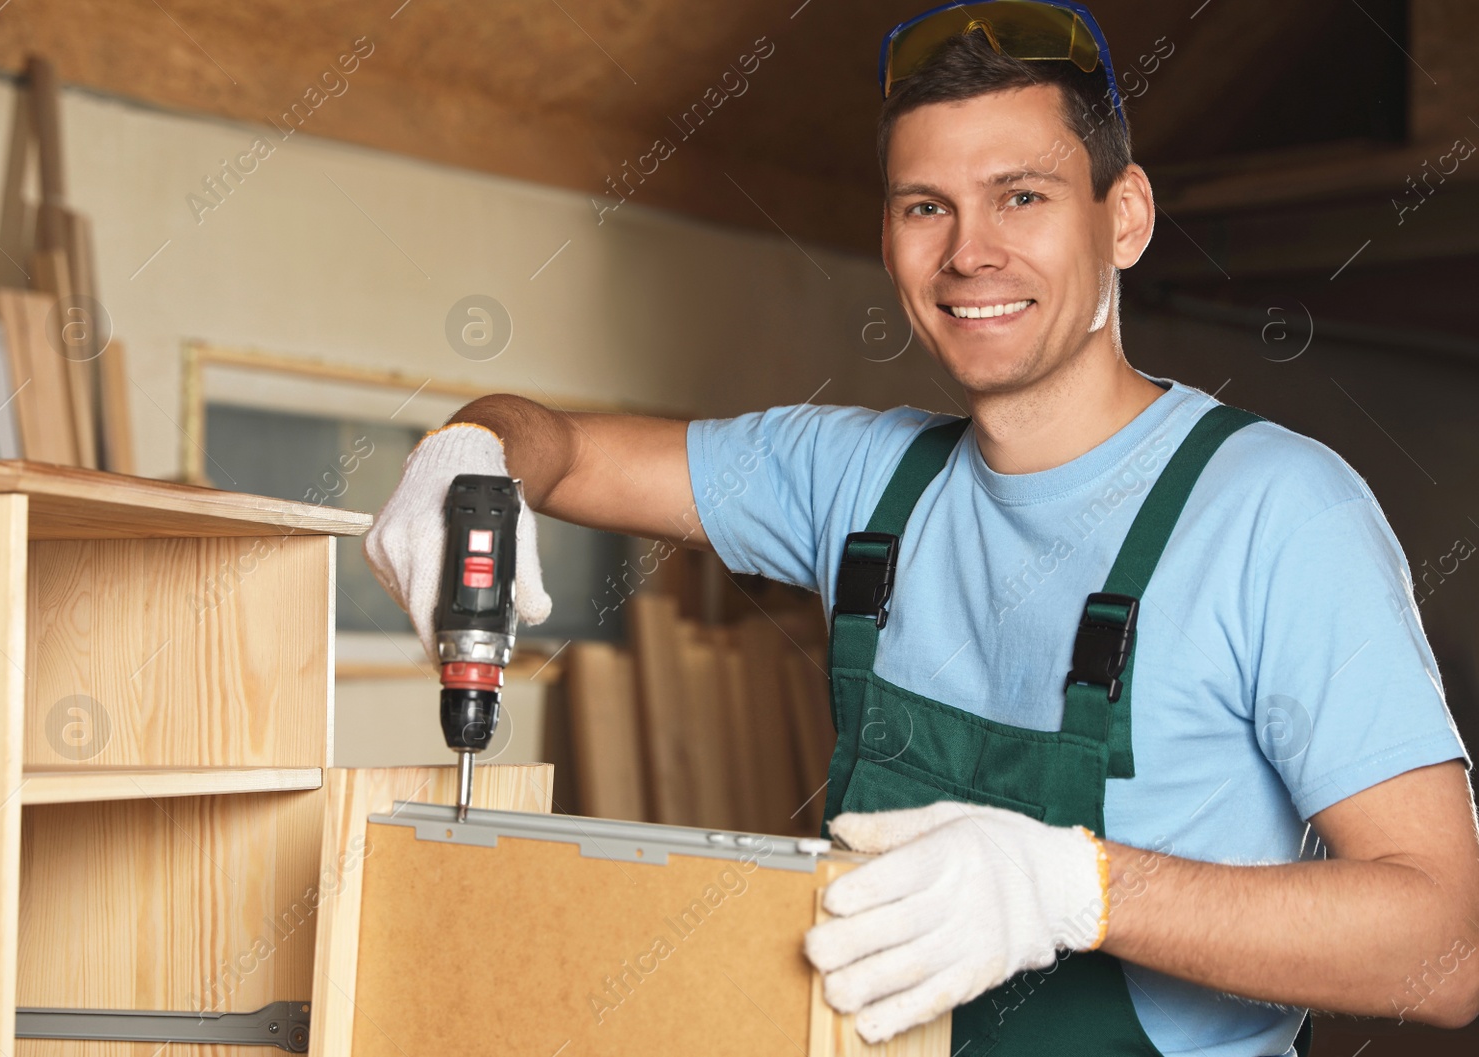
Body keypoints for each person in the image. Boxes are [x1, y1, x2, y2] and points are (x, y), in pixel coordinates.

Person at [365, 2, 1479, 1053]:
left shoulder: (1275, 513)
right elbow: (562, 444)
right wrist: (471, 450)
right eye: (924, 206)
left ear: (1123, 217)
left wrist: (1074, 891)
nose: (968, 253)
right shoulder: (858, 477)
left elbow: (1446, 946)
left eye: (1022, 196)